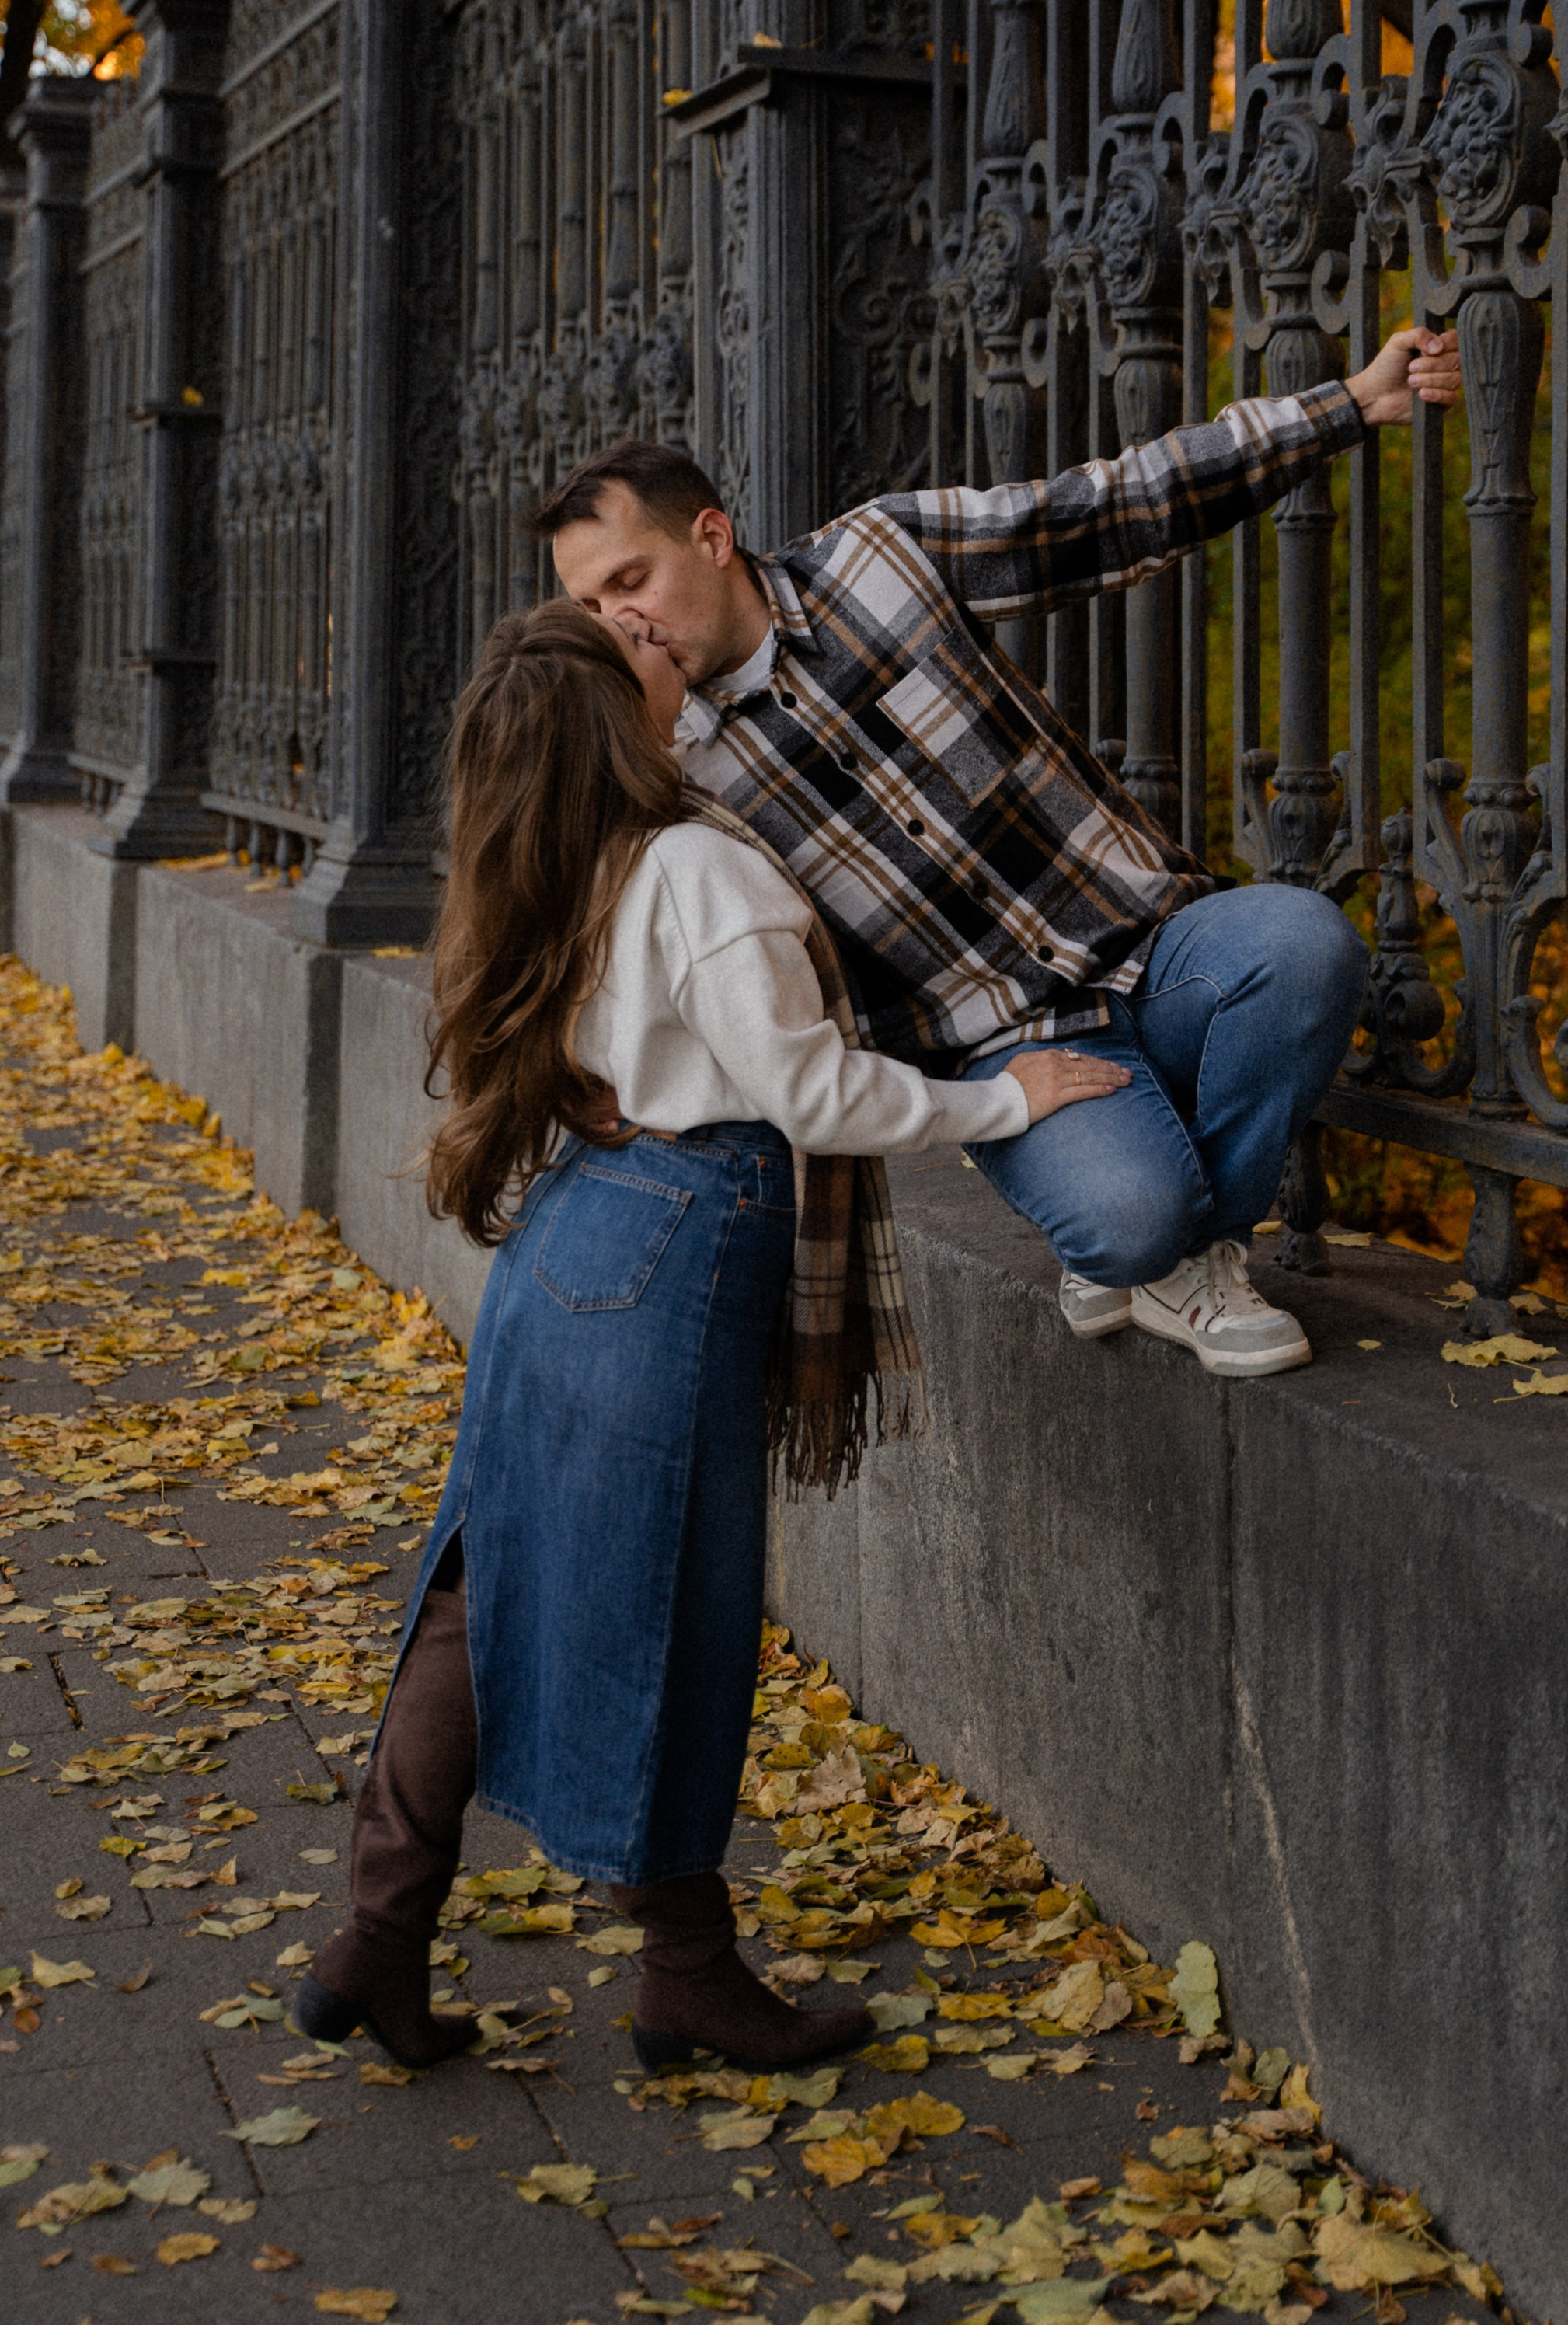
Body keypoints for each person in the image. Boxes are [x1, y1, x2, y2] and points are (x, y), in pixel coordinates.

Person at [295, 600, 1128, 2074]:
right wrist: (1010, 1102)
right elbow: (813, 1096)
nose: (658, 631)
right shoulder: (693, 865)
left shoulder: (560, 855)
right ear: (625, 712)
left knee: (477, 1591)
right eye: (637, 642)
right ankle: (684, 1969)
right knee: (671, 1604)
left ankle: (376, 1939)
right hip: (683, 1232)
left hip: (576, 1235)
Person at [543, 326, 1461, 1377]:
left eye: (631, 579)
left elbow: (1103, 514)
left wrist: (1345, 405)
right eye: (591, 606)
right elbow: (572, 894)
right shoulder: (666, 762)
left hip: (1148, 949)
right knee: (1125, 1214)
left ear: (711, 537)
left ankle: (1181, 1257)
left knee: (1305, 945)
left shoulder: (878, 556)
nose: (620, 622)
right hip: (996, 1049)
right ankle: (1144, 1238)